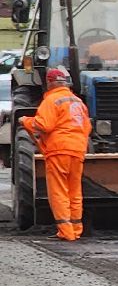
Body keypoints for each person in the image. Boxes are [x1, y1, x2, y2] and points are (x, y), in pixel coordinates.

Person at [23, 66, 92, 241]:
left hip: (59, 150)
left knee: (59, 191)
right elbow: (87, 127)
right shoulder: (78, 102)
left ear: (50, 83)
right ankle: (76, 229)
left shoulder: (51, 100)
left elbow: (43, 125)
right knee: (74, 191)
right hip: (77, 150)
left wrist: (26, 121)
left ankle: (65, 232)